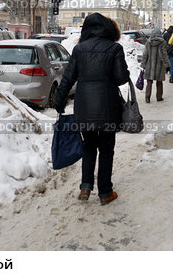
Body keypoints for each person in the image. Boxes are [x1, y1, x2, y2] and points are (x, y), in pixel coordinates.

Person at [54, 13, 130, 205]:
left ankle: (86, 186)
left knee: (88, 147)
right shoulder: (114, 48)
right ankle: (105, 192)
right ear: (107, 29)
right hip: (108, 108)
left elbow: (67, 79)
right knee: (106, 149)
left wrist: (59, 100)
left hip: (84, 107)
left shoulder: (79, 50)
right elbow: (121, 78)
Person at [140, 28, 170, 103]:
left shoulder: (148, 42)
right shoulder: (162, 42)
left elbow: (145, 54)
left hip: (150, 65)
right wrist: (167, 64)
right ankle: (159, 97)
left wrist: (143, 64)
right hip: (159, 66)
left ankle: (147, 97)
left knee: (149, 83)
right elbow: (164, 54)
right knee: (159, 82)